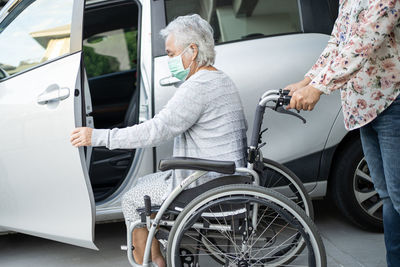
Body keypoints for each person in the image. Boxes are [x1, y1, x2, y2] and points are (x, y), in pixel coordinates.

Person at [70, 14, 247, 267]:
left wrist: (98, 136)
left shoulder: (197, 87)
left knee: (132, 198)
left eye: (171, 53)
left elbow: (156, 130)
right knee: (143, 183)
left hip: (207, 183)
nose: (169, 60)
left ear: (192, 50)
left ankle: (155, 262)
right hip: (223, 175)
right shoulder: (219, 79)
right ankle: (157, 246)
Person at [285, 0, 400, 266]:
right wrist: (307, 81)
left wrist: (319, 88)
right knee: (387, 197)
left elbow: (362, 44)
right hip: (364, 107)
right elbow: (339, 41)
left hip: (392, 101)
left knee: (398, 197)